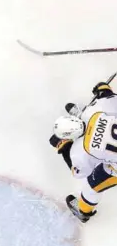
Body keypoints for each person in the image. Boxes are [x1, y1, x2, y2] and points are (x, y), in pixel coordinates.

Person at [50, 81, 117, 222]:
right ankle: (82, 112)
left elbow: (79, 172)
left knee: (92, 186)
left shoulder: (78, 151)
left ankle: (83, 211)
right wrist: (102, 88)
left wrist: (64, 148)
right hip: (94, 115)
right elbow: (108, 96)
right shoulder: (97, 110)